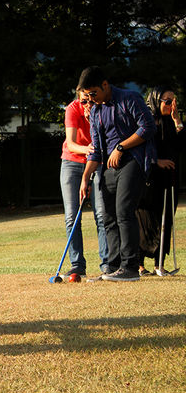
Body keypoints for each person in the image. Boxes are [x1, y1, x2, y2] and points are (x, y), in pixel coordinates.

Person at [78, 66, 156, 282]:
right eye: (87, 96)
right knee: (108, 218)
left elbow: (148, 127)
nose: (91, 99)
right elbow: (97, 152)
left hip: (133, 162)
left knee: (124, 212)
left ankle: (130, 267)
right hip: (108, 169)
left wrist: (121, 147)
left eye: (94, 93)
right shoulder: (95, 111)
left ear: (105, 85)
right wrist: (85, 178)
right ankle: (112, 267)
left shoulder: (129, 98)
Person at [59, 89, 109, 279]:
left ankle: (106, 264)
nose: (87, 105)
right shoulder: (72, 109)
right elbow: (71, 144)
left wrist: (92, 121)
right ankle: (77, 264)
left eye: (90, 101)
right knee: (72, 216)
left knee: (102, 215)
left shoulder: (102, 110)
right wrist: (86, 149)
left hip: (96, 163)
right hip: (72, 162)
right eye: (83, 101)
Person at [136, 86, 184, 276]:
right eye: (167, 101)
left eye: (174, 101)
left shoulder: (171, 122)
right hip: (149, 179)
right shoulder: (146, 121)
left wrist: (177, 120)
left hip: (169, 179)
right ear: (156, 100)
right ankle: (139, 264)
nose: (170, 105)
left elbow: (181, 146)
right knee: (145, 221)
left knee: (166, 220)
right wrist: (157, 161)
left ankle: (159, 264)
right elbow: (140, 148)